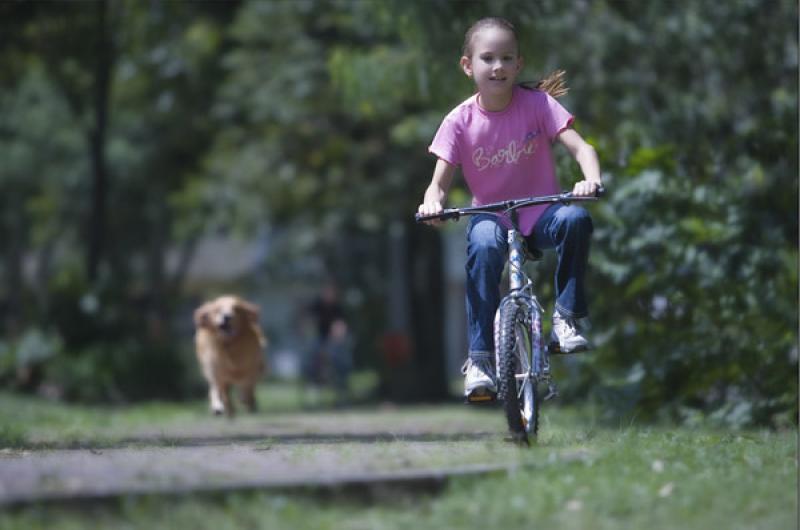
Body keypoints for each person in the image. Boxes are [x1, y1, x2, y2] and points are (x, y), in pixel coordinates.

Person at [416, 17, 603, 401]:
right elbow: (438, 181)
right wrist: (432, 201)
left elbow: (583, 149)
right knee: (483, 248)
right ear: (468, 66)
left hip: (542, 213)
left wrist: (590, 179)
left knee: (576, 219)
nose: (497, 66)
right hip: (492, 217)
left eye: (506, 57)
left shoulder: (538, 105)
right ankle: (481, 361)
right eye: (487, 58)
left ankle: (567, 319)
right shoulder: (459, 120)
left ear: (519, 64)